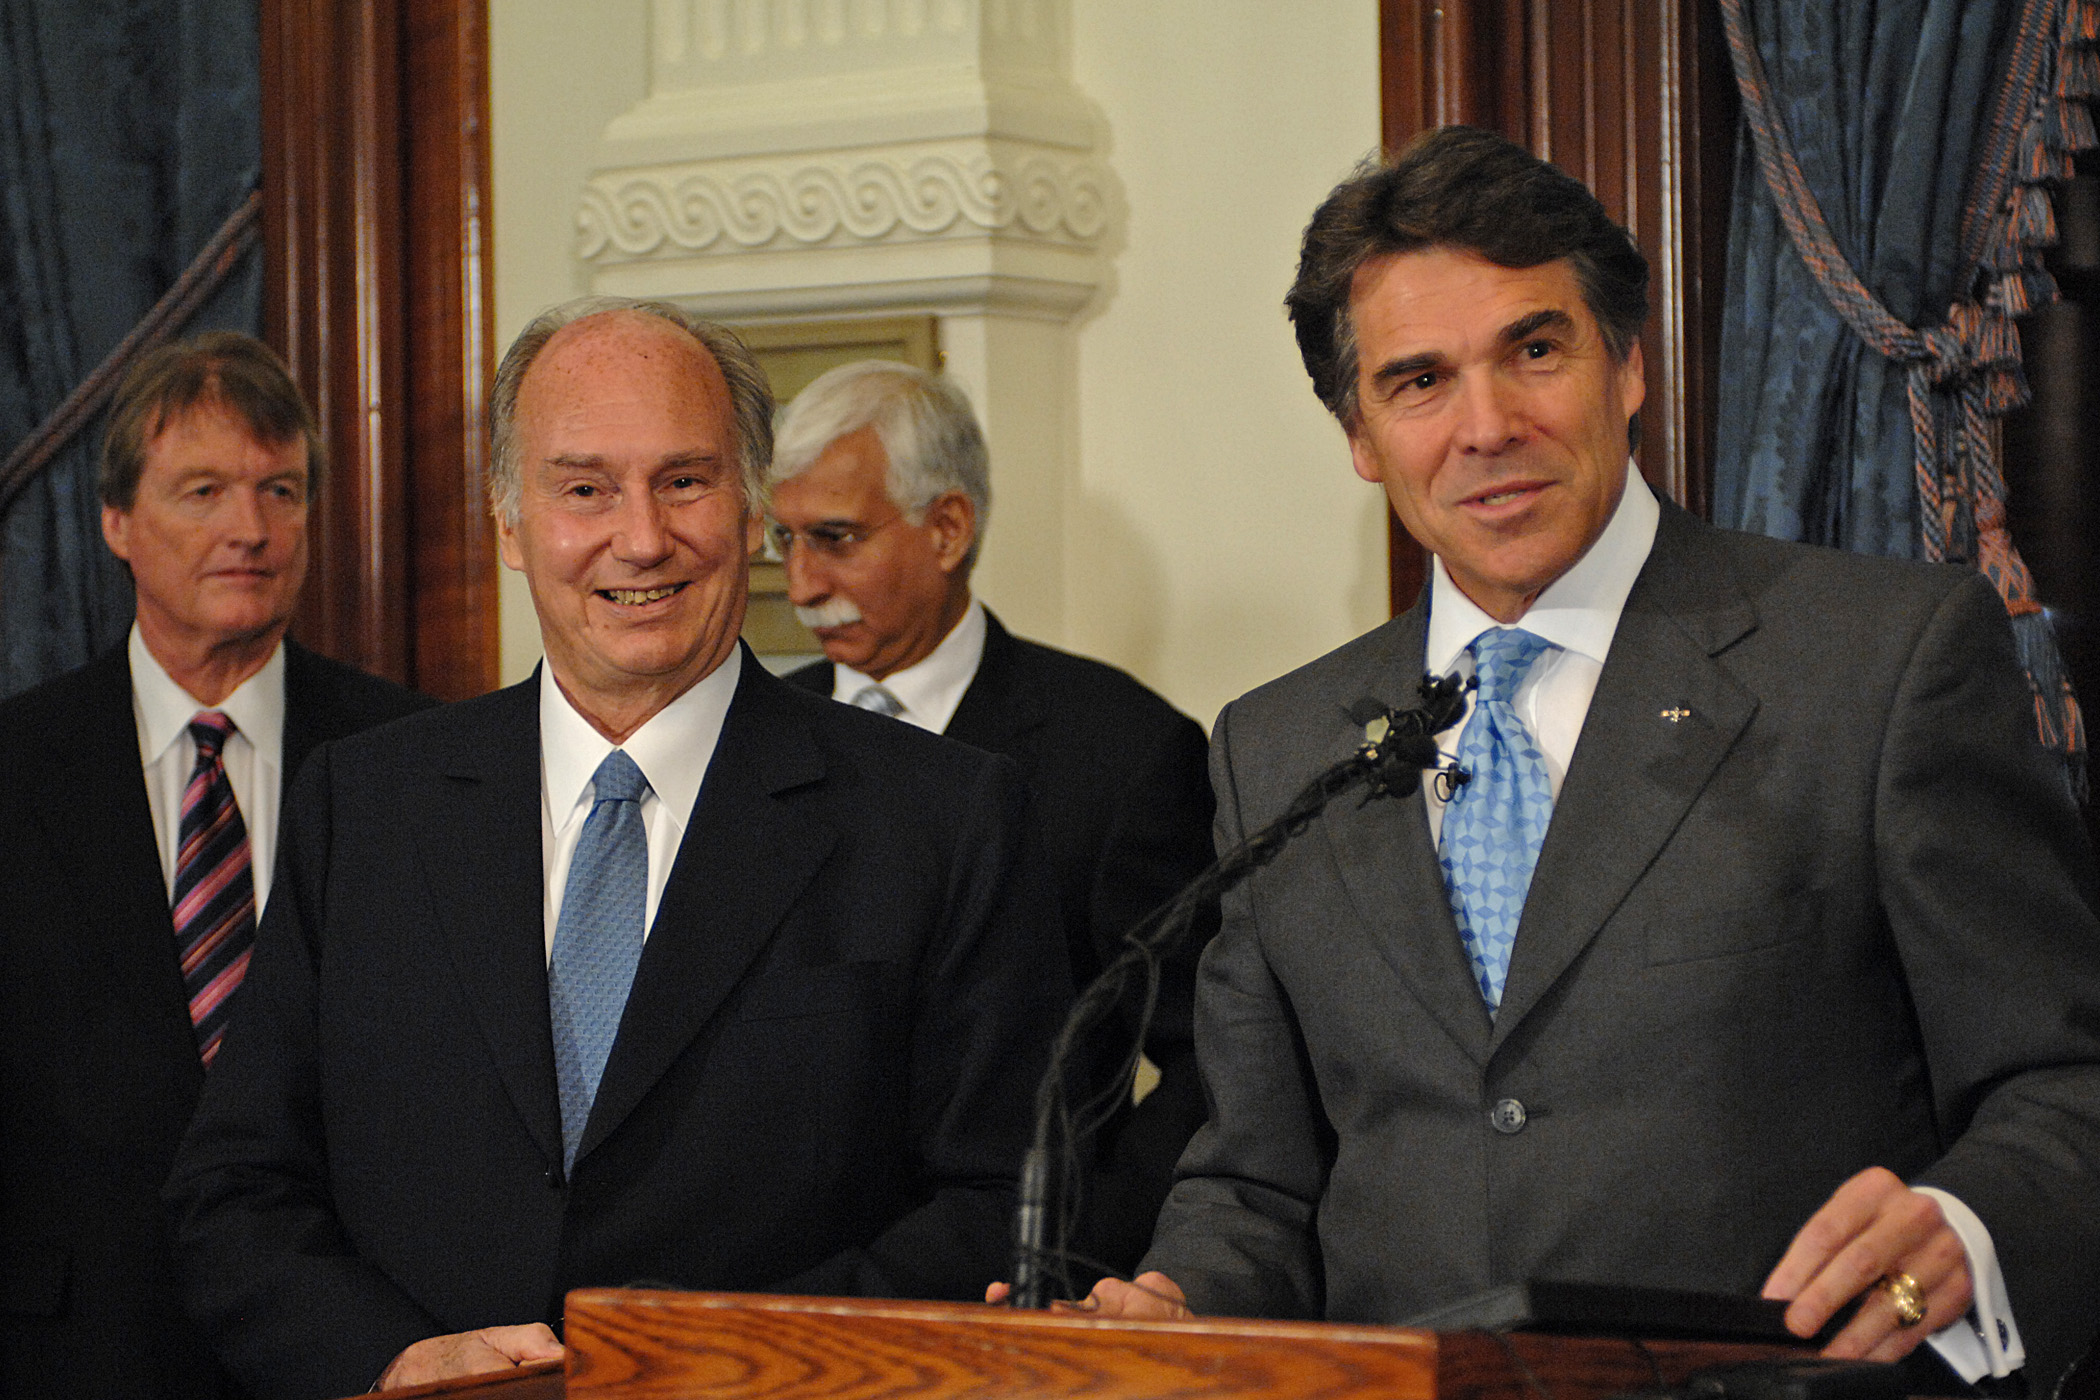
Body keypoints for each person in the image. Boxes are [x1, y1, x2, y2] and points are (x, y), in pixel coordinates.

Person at [1068, 127, 2100, 1391]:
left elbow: (2063, 1084)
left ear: (1626, 366)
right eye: (1419, 382)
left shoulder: (1878, 664)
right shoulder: (1275, 744)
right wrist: (1183, 1308)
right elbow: (1257, 1181)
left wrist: (1970, 1227)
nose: (1487, 426)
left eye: (1534, 350)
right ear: (1358, 434)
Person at [164, 298, 1071, 1399]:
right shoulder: (364, 805)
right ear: (509, 523)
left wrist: (719, 1372)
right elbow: (240, 1186)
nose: (641, 537)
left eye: (684, 480)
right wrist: (390, 1358)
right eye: (584, 487)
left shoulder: (943, 816)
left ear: (750, 512)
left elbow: (1003, 1207)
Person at [0, 332, 430, 1400]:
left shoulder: (417, 760)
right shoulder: (13, 767)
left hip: (348, 1346)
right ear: (115, 522)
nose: (250, 528)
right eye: (204, 490)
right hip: (70, 1348)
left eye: (280, 490)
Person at [769, 361, 1216, 1275]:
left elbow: (1209, 1062)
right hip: (773, 1283)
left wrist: (1076, 1252)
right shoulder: (761, 736)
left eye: (837, 538)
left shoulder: (1122, 754)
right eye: (784, 541)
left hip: (1005, 1283)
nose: (803, 583)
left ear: (947, 528)